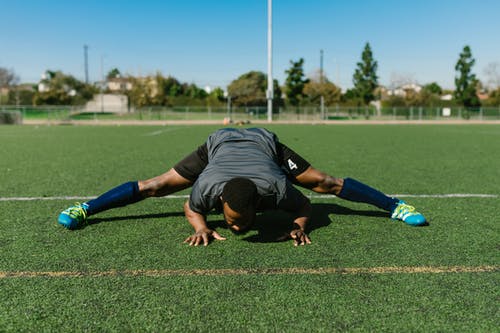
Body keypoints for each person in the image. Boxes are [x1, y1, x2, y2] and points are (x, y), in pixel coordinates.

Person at [58, 127, 427, 246]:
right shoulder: (205, 189)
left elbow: (304, 206)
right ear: (219, 200)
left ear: (259, 207)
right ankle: (85, 209)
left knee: (325, 183)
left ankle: (396, 205)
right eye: (232, 222)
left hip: (266, 146)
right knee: (155, 185)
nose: (234, 228)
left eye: (240, 221)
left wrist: (299, 224)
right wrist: (201, 225)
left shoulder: (278, 189)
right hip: (217, 147)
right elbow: (191, 207)